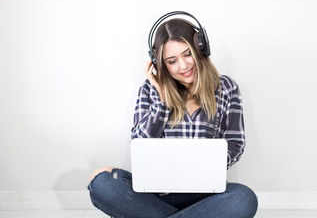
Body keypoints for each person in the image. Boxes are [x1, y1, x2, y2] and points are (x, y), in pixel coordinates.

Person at [87, 11, 258, 218]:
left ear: (200, 49)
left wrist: (205, 165)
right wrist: (162, 101)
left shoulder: (227, 88)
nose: (184, 66)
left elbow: (235, 143)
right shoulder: (150, 90)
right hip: (154, 195)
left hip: (205, 197)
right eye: (172, 60)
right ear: (160, 64)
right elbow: (139, 143)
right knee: (101, 181)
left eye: (187, 54)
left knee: (244, 198)